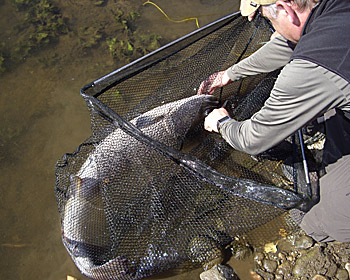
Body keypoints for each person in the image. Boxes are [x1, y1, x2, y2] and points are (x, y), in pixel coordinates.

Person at [197, 0, 350, 242]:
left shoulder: (311, 69)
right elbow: (287, 44)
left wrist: (221, 123)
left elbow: (253, 139)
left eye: (269, 21)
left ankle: (318, 226)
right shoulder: (331, 10)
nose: (273, 31)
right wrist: (230, 74)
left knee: (329, 221)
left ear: (286, 9)